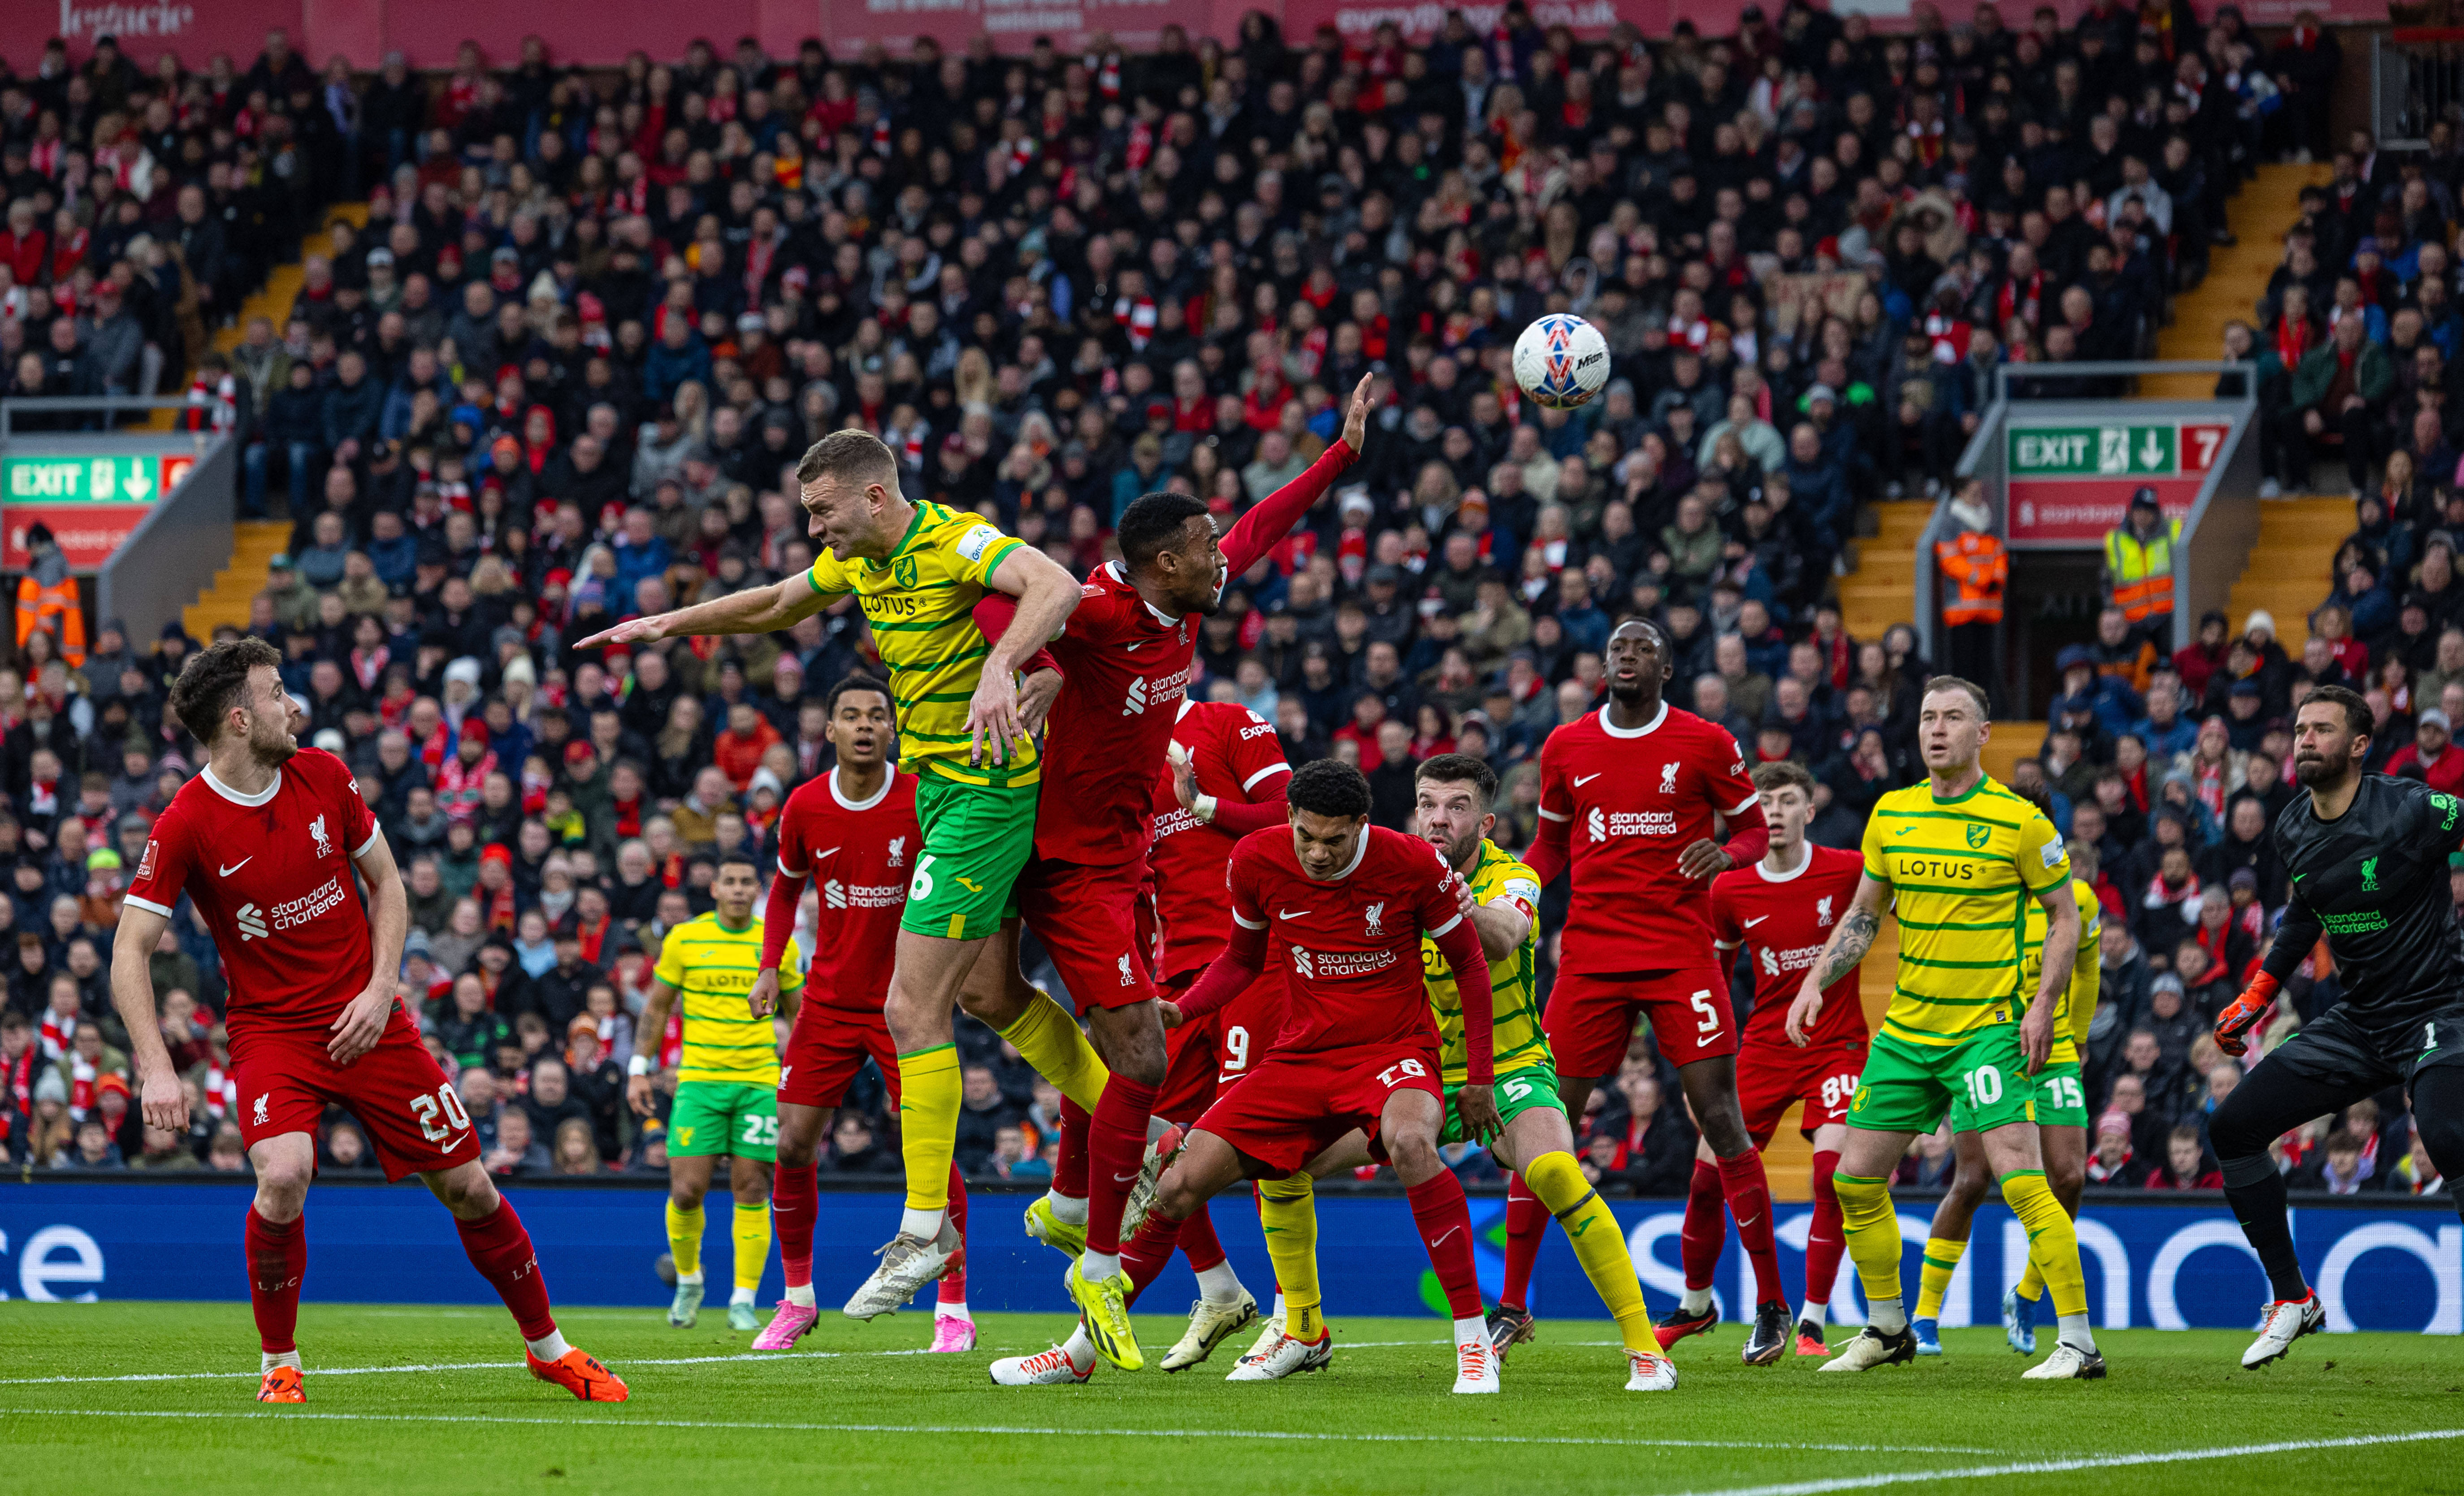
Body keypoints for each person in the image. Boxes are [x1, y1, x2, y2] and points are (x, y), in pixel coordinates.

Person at [578, 429, 1080, 1323]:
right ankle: (1136, 1129)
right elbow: (776, 602)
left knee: (908, 1007)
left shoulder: (955, 540)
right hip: (943, 797)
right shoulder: (863, 570)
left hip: (986, 793)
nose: (816, 530)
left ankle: (928, 1228)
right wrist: (670, 621)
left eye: (823, 512)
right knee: (992, 997)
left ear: (875, 499)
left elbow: (1057, 585)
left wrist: (1004, 668)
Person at [972, 372, 1377, 1368]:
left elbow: (1261, 528)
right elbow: (986, 603)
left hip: (1095, 864)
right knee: (982, 996)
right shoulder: (1095, 616)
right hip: (1019, 830)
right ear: (1161, 561)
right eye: (1202, 549)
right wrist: (1032, 663)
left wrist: (1338, 458)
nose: (1220, 561)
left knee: (1138, 1061)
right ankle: (1021, 1219)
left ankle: (1097, 1249)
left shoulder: (1186, 606)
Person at [110, 638, 623, 1403]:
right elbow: (130, 949)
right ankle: (278, 1363)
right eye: (279, 693)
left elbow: (385, 882)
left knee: (471, 1186)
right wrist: (155, 1065)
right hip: (273, 1031)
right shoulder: (187, 820)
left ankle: (548, 1346)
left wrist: (383, 987)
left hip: (368, 1015)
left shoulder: (326, 775)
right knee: (282, 1176)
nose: (295, 705)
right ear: (241, 720)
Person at [988, 760, 1501, 1391]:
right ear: (1288, 817)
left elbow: (1472, 969)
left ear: (1361, 825)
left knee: (1413, 1143)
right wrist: (1187, 1006)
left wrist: (1478, 1079)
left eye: (1333, 840)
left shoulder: (1412, 864)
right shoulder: (1257, 858)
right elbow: (1240, 960)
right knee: (1177, 1184)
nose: (1316, 852)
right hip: (1300, 1056)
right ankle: (1079, 1353)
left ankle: (1473, 1342)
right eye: (1305, 835)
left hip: (1392, 1050)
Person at [1272, 755, 1676, 1391]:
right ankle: (1301, 1329)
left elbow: (1506, 935)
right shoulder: (1385, 873)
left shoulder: (1512, 877)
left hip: (1510, 1066)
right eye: (1428, 803)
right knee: (1283, 1160)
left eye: (1456, 806)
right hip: (1412, 1071)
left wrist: (1454, 899)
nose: (1439, 818)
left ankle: (1645, 1349)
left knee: (1552, 1171)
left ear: (1484, 822)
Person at [1786, 676, 2105, 1380]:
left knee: (2024, 1180)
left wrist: (2043, 1003)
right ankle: (1889, 1326)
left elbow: (2065, 916)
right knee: (1854, 1179)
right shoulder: (1891, 814)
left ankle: (2078, 1341)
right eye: (1928, 716)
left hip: (1985, 1029)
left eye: (1953, 717)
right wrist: (1815, 978)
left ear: (1982, 734)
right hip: (1907, 1030)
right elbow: (1865, 914)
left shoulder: (2020, 821)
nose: (1936, 729)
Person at [1520, 619, 1787, 1363]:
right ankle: (1510, 1305)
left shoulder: (1704, 741)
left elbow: (1757, 832)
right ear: (1603, 667)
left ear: (1665, 668)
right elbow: (1548, 844)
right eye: (1616, 650)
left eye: (1641, 649)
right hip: (1592, 955)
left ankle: (1770, 1302)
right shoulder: (1565, 746)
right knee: (1541, 1117)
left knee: (1719, 1117)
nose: (1625, 657)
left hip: (1679, 954)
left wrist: (1726, 851)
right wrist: (1517, 889)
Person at [2209, 684, 2464, 1369]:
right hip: (2359, 1019)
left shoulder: (2410, 809)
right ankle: (2293, 1299)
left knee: (2446, 1135)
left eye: (2321, 729)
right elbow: (2305, 913)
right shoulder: (2291, 828)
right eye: (2298, 729)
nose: (2304, 739)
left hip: (2439, 1008)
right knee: (2232, 1128)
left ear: (2359, 744)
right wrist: (2258, 994)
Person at [746, 674, 973, 1355]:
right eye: (852, 715)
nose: (867, 725)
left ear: (894, 729)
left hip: (910, 1004)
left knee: (930, 1155)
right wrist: (768, 963)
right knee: (790, 1145)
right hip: (828, 1001)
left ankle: (952, 1306)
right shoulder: (805, 806)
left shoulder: (921, 798)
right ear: (831, 730)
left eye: (878, 715)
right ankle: (796, 1300)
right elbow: (785, 889)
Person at [1125, 695, 1295, 1371]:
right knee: (1141, 1127)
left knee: (1259, 1136)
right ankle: (1219, 1287)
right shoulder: (1118, 746)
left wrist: (1203, 807)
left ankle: (1294, 1314)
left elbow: (1292, 818)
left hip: (1252, 960)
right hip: (1178, 978)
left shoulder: (1225, 721)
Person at [1904, 824, 2103, 1357]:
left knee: (2069, 1177)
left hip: (2053, 1048)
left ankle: (2028, 1294)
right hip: (1985, 1045)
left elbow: (2087, 968)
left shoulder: (2076, 900)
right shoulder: (1980, 902)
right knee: (1971, 1179)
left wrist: (2077, 1037)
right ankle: (1924, 1316)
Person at [1708, 760, 1870, 1356]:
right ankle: (1711, 1305)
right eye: (1762, 803)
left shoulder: (1849, 871)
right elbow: (1718, 975)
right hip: (1765, 1047)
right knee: (1708, 1174)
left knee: (1832, 1175)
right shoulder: (1729, 887)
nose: (1773, 812)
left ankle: (1813, 1321)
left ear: (1809, 808)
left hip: (1837, 1042)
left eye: (1784, 801)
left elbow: (1893, 906)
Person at [628, 853, 800, 1332]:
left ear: (758, 888)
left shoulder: (778, 944)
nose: (740, 889)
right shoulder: (685, 938)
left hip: (757, 1081)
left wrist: (805, 1075)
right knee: (685, 1191)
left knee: (752, 1188)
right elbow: (657, 1007)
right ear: (716, 889)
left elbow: (800, 1013)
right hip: (699, 1081)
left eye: (748, 881)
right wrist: (639, 1069)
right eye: (731, 881)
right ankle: (689, 1282)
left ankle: (743, 1299)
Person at [2102, 488, 2179, 648]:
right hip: (2131, 622)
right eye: (2139, 510)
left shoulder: (2173, 531)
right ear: (2131, 512)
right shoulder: (2116, 539)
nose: (2143, 515)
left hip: (2168, 616)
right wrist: (2111, 610)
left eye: (2148, 511)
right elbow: (2106, 579)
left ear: (2156, 512)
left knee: (2168, 665)